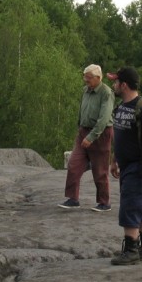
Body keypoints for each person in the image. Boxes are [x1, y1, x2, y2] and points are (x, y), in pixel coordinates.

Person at [107, 67, 142, 265]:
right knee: (140, 206)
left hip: (139, 167)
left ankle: (131, 250)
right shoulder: (121, 107)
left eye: (116, 82)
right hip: (126, 165)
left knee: (130, 206)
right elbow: (119, 137)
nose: (114, 85)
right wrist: (114, 159)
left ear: (124, 85)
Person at [59, 64, 115, 211]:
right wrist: (80, 128)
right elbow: (82, 110)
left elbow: (104, 119)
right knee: (73, 164)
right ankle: (73, 199)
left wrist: (91, 137)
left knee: (100, 170)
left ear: (98, 78)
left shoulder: (106, 93)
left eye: (88, 78)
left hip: (100, 134)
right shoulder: (85, 90)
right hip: (83, 131)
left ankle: (104, 203)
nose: (85, 80)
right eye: (85, 77)